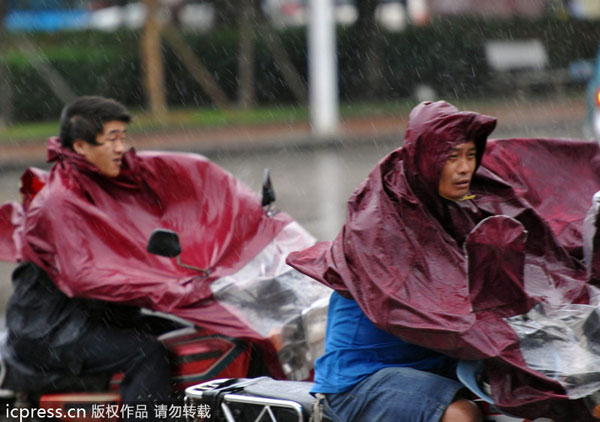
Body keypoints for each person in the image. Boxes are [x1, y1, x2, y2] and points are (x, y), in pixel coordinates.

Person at [4, 97, 172, 409]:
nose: (121, 148)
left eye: (123, 138)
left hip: (90, 315)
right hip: (52, 327)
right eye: (112, 140)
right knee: (147, 353)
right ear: (81, 147)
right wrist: (163, 287)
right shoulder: (60, 202)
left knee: (193, 335)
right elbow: (83, 276)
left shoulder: (103, 188)